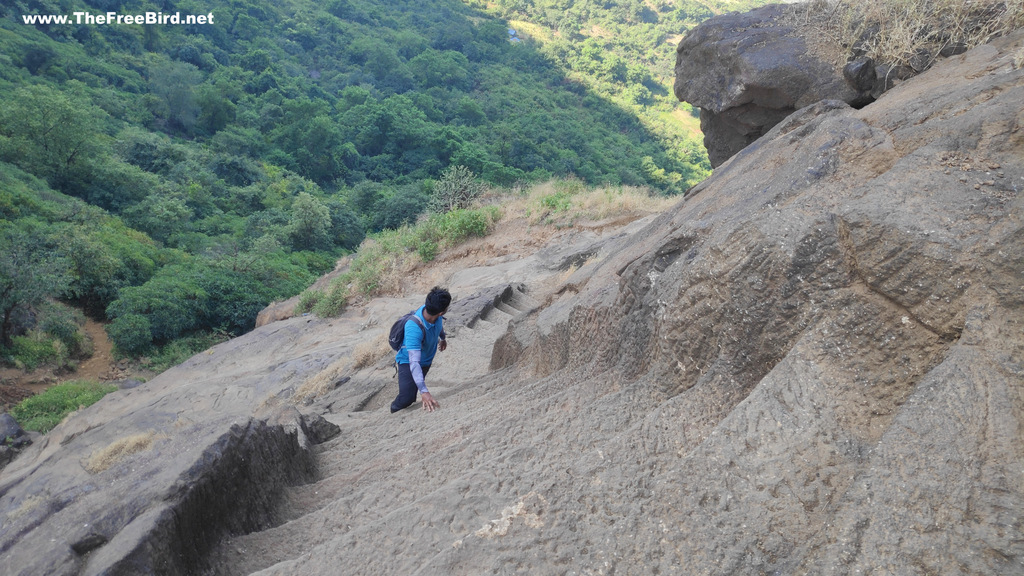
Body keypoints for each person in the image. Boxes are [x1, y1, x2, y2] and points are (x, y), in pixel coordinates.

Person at [391, 287, 450, 413]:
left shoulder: (434, 313)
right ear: (442, 312)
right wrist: (425, 392)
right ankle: (394, 412)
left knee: (413, 392)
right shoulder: (414, 327)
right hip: (408, 362)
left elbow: (438, 326)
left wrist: (443, 338)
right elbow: (414, 362)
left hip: (426, 360)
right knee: (407, 398)